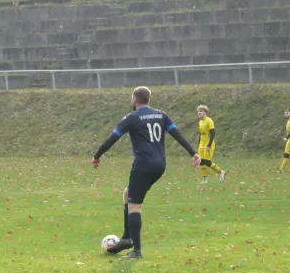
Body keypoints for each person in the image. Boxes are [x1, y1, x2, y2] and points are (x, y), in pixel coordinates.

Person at [91, 86, 201, 259]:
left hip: (142, 165)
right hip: (160, 165)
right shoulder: (161, 115)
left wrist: (97, 156)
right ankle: (127, 237)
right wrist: (193, 153)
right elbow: (177, 135)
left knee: (135, 205)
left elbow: (112, 138)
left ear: (135, 99)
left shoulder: (132, 118)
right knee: (128, 194)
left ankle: (136, 251)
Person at [196, 105, 226, 184]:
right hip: (202, 145)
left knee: (207, 162)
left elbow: (213, 134)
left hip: (208, 144)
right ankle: (204, 180)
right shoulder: (200, 122)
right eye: (198, 111)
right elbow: (200, 134)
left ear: (205, 112)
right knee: (201, 162)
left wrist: (209, 145)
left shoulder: (209, 121)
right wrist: (199, 144)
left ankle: (221, 172)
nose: (199, 113)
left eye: (201, 111)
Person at [276, 109, 290, 173]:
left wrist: (286, 138)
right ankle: (281, 170)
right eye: (285, 113)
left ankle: (281, 170)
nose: (285, 114)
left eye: (287, 113)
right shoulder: (288, 121)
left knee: (286, 155)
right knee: (286, 155)